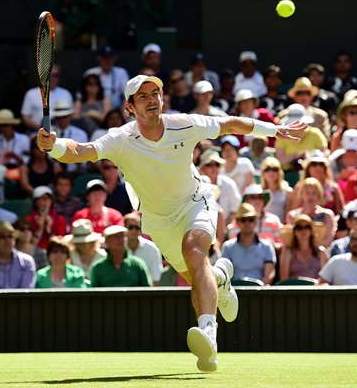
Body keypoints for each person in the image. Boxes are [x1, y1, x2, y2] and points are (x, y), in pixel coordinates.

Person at [36, 74, 306, 372]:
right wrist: (54, 145)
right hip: (158, 220)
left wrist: (274, 130)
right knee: (197, 275)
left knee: (195, 252)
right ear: (130, 107)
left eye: (156, 93)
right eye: (143, 96)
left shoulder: (184, 124)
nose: (152, 99)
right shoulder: (120, 139)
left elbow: (229, 123)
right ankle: (220, 280)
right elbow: (80, 151)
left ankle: (208, 335)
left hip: (195, 202)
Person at [221, 203, 276, 285]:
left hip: (259, 292)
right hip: (235, 292)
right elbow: (225, 274)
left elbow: (269, 274)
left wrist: (259, 288)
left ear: (256, 221)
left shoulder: (267, 246)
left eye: (251, 219)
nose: (247, 223)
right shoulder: (228, 247)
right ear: (238, 222)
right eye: (243, 220)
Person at [0, 221, 36, 289]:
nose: (7, 240)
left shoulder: (27, 262)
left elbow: (27, 292)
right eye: (3, 237)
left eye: (10, 236)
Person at [274, 104, 328, 172]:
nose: (297, 127)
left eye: (299, 123)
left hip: (313, 173)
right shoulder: (283, 135)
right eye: (293, 124)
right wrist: (297, 155)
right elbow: (280, 160)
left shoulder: (315, 133)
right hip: (288, 174)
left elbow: (325, 154)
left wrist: (310, 157)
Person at [21, 64, 74, 132]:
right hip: (36, 132)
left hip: (62, 132)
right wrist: (42, 129)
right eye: (50, 75)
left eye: (56, 75)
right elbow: (25, 117)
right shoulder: (31, 94)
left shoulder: (66, 93)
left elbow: (71, 115)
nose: (53, 78)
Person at [286, 177, 335, 248]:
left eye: (314, 193)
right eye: (307, 193)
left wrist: (311, 248)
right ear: (302, 194)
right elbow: (291, 239)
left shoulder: (327, 215)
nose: (310, 196)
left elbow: (329, 240)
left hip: (320, 252)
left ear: (319, 195)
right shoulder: (292, 215)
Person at [279, 214, 327, 281]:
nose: (303, 230)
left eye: (307, 227)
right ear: (294, 232)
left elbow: (325, 279)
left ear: (311, 231)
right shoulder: (288, 252)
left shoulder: (321, 252)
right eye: (299, 227)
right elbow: (284, 280)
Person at [198, 149, 241, 224]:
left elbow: (234, 211)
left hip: (227, 230)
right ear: (203, 168)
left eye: (217, 164)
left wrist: (223, 229)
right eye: (209, 165)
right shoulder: (197, 185)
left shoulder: (229, 184)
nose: (214, 168)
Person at [84, 45, 130, 109]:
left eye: (110, 58)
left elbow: (127, 95)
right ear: (99, 58)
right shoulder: (90, 73)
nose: (108, 61)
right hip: (95, 107)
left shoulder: (121, 72)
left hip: (116, 109)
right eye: (105, 57)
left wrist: (124, 114)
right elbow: (81, 95)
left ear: (114, 58)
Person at [124, 212, 163, 286]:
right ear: (124, 227)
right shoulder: (119, 247)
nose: (134, 230)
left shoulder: (152, 249)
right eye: (130, 227)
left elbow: (156, 279)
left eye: (137, 227)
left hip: (147, 293)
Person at [26, 186, 67, 250]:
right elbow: (28, 247)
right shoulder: (29, 220)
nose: (45, 202)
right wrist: (40, 229)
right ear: (36, 202)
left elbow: (59, 247)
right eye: (42, 198)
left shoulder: (60, 219)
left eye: (48, 198)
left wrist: (49, 230)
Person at [72, 73, 112, 137]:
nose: (93, 87)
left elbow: (107, 119)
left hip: (101, 133)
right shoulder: (79, 102)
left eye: (96, 84)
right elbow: (75, 118)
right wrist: (90, 114)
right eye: (90, 84)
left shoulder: (105, 100)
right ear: (84, 86)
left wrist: (91, 114)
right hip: (83, 133)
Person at [259, 157, 292, 221]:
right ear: (262, 173)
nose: (271, 173)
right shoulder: (258, 191)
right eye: (267, 169)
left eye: (274, 169)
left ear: (280, 173)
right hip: (262, 226)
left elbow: (288, 214)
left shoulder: (288, 191)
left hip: (280, 226)